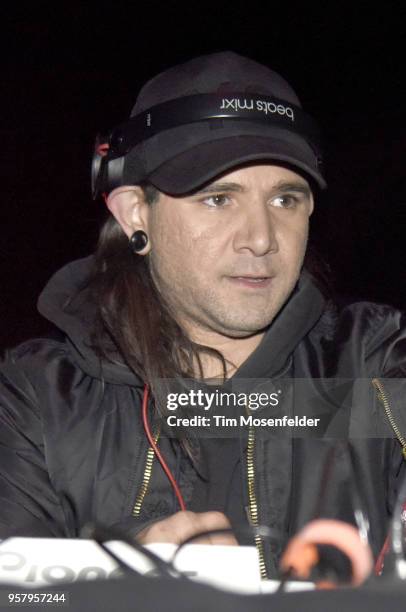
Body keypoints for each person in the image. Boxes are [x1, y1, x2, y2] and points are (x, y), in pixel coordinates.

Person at [1, 51, 405, 580]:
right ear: (134, 213)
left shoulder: (375, 365)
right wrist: (107, 581)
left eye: (286, 199)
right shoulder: (37, 400)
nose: (261, 238)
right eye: (218, 199)